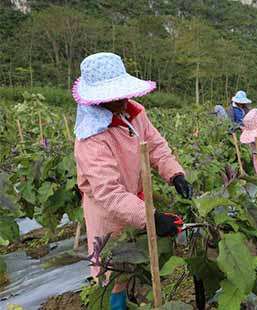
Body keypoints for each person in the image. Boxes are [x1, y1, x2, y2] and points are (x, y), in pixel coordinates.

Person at [72, 52, 192, 310]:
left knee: (139, 262)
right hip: (106, 212)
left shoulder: (136, 114)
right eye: (114, 97)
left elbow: (156, 146)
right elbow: (109, 194)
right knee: (112, 270)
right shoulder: (90, 139)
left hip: (136, 201)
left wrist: (175, 173)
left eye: (123, 94)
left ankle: (136, 299)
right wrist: (152, 217)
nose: (122, 101)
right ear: (98, 100)